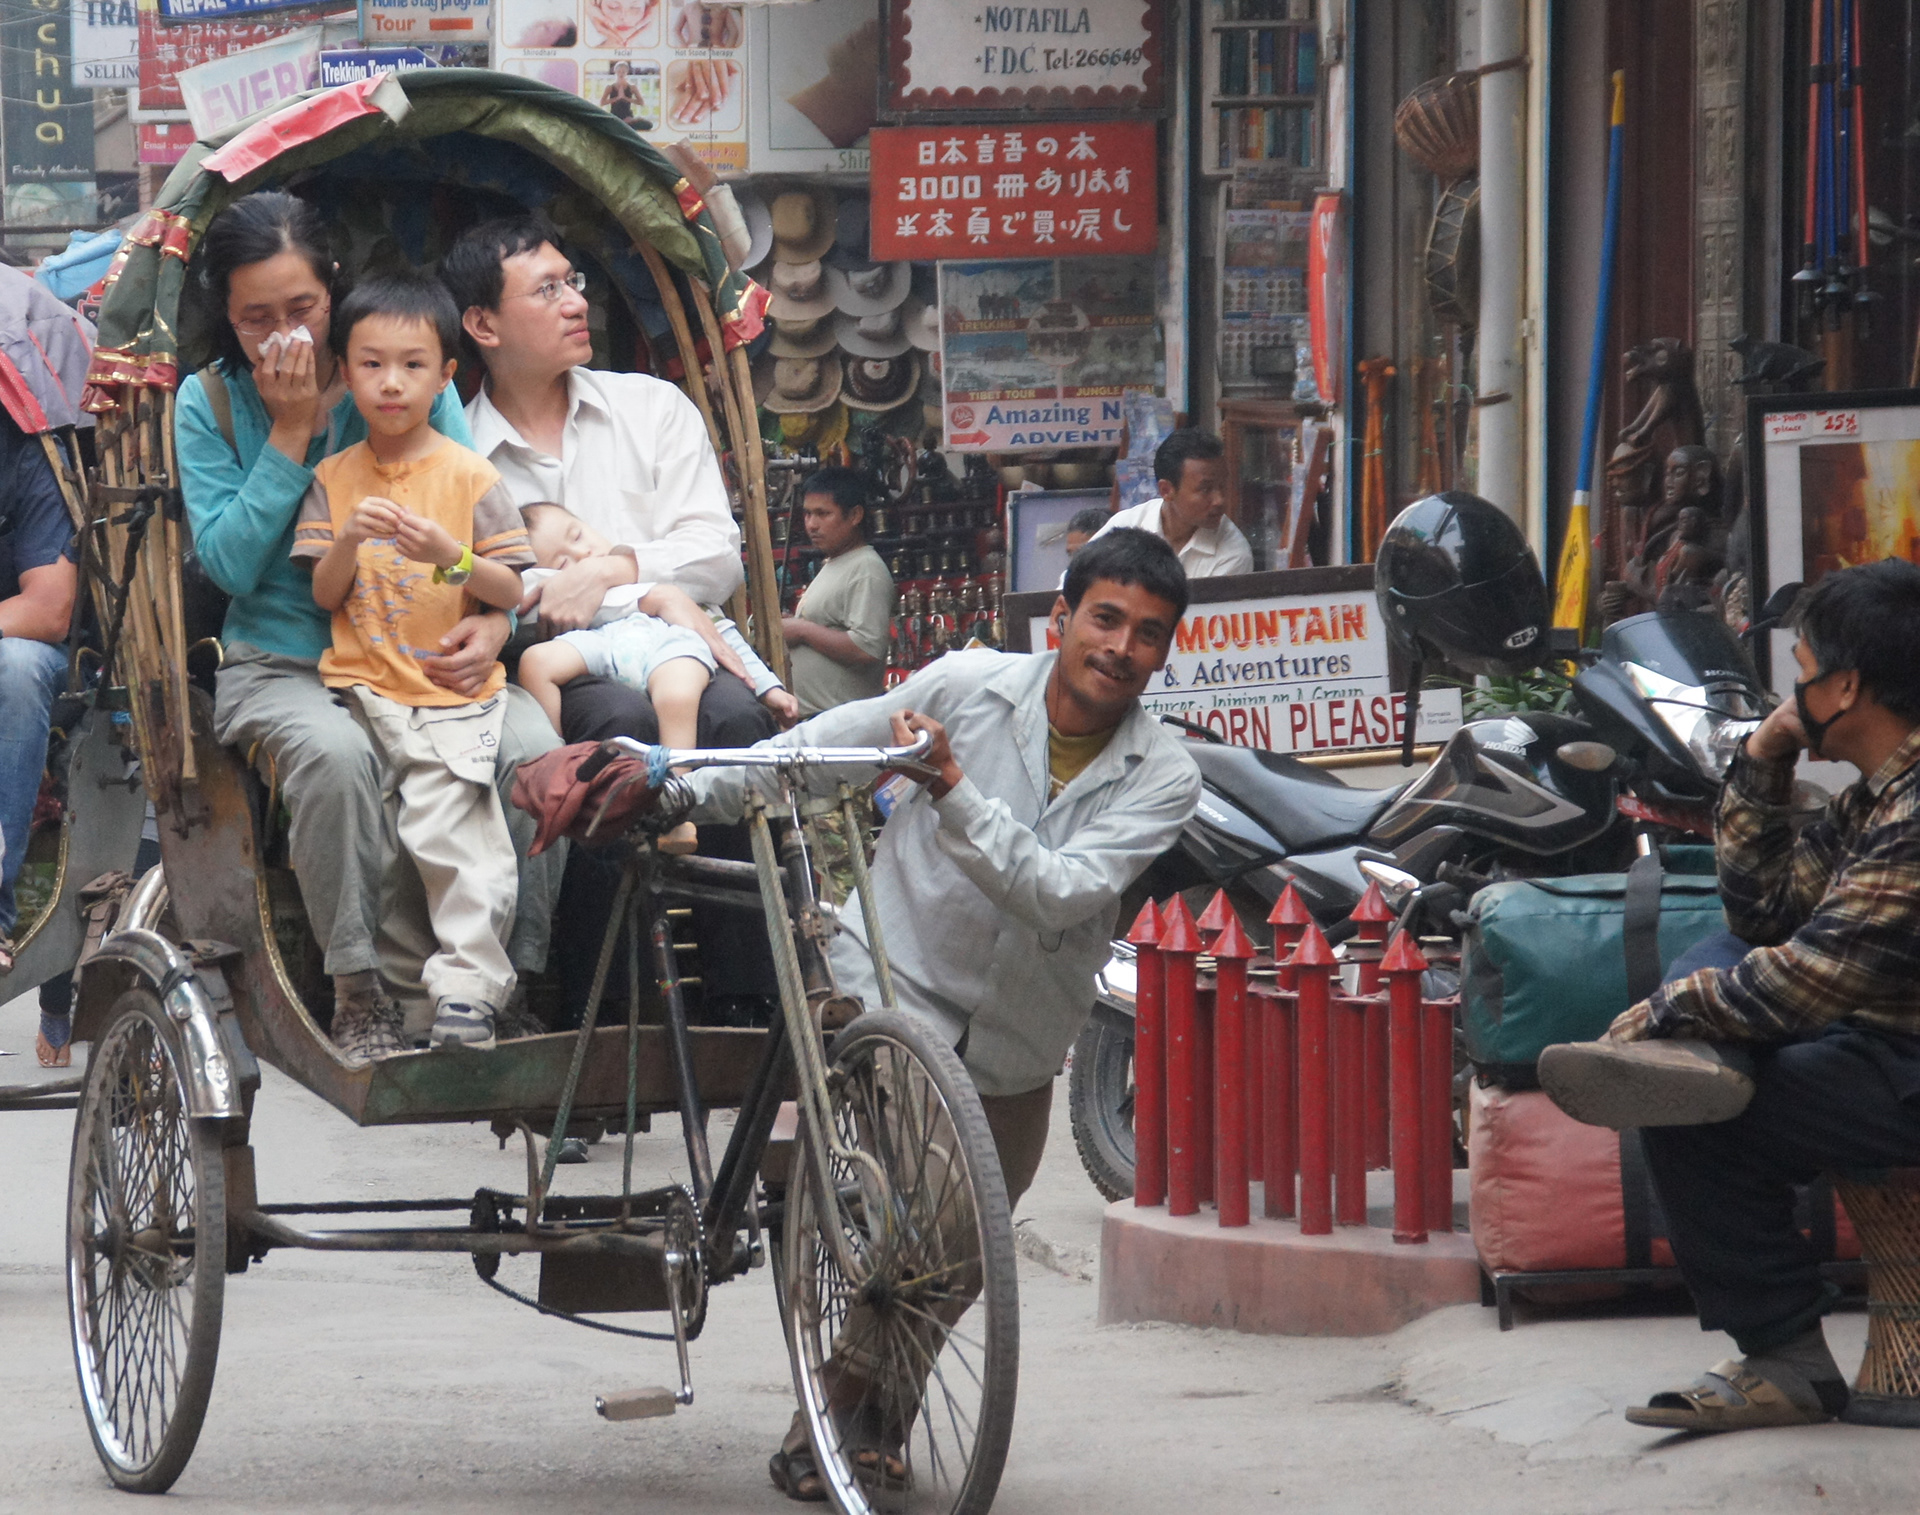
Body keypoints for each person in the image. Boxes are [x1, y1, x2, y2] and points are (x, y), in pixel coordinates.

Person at [683, 527, 1201, 1500]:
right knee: (939, 1218)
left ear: (1164, 652)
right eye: (1105, 618)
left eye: (1147, 633)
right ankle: (851, 1427)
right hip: (892, 990)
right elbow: (819, 756)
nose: (1120, 647)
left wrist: (952, 789)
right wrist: (674, 780)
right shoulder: (966, 688)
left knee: (961, 1261)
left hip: (1018, 1044)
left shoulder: (1163, 776)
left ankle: (846, 1420)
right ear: (1061, 620)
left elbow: (1053, 893)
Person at [177, 192, 562, 1064]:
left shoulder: (398, 375)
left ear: (335, 293)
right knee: (339, 758)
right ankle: (358, 992)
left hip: (426, 657)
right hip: (285, 663)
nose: (285, 337)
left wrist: (496, 625)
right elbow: (230, 568)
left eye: (303, 311)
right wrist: (289, 432)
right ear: (226, 317)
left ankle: (517, 981)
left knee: (538, 758)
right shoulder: (210, 404)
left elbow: (473, 522)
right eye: (255, 318)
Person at [1561, 560, 1920, 1431]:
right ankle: (1696, 1067)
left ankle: (1782, 1356)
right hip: (1876, 1040)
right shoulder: (1875, 797)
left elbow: (1809, 978)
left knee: (1686, 1104)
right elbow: (1763, 914)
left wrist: (1672, 1012)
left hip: (1904, 1063)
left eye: (1800, 666)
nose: (1789, 685)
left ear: (1845, 683)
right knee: (1720, 962)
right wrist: (1764, 755)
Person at [443, 211, 781, 1025]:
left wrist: (609, 569)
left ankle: (748, 999)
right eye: (547, 289)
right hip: (551, 662)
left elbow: (716, 552)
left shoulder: (652, 408)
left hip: (674, 642)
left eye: (575, 282)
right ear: (482, 324)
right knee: (610, 736)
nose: (574, 303)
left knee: (737, 721)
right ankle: (606, 1010)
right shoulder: (453, 452)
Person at [292, 273, 534, 1052]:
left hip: (446, 691)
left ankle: (469, 985)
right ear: (343, 372)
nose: (390, 383)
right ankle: (411, 1002)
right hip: (365, 687)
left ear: (445, 377)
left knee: (455, 823)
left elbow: (512, 588)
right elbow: (326, 592)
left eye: (412, 365)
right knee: (393, 841)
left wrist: (451, 556)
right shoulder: (333, 479)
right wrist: (352, 538)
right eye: (369, 364)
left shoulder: (470, 477)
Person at [518, 502, 732, 856]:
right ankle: (556, 758)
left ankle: (678, 795)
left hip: (660, 646)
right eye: (563, 563)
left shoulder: (638, 566)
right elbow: (525, 593)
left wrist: (767, 686)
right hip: (599, 642)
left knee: (680, 699)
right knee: (536, 662)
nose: (582, 553)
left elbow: (721, 634)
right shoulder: (554, 588)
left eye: (578, 535)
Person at [780, 466, 894, 716]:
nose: (811, 524)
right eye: (808, 514)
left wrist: (802, 630)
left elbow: (867, 647)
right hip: (817, 720)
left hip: (839, 723)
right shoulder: (835, 562)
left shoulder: (866, 568)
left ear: (854, 516)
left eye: (823, 514)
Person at [1085, 428, 1252, 578]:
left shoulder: (1233, 553)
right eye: (1206, 489)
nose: (1220, 500)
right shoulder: (1126, 526)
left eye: (1223, 486)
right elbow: (1074, 584)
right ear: (1166, 490)